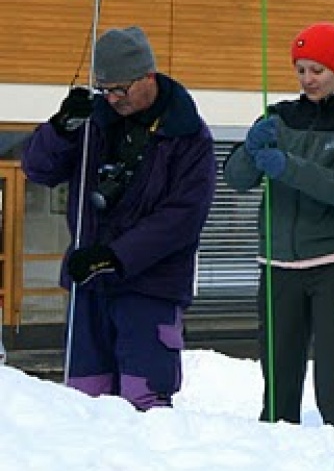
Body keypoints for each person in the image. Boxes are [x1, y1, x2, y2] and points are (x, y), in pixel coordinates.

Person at [21, 26, 215, 409]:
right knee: (84, 397)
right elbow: (38, 169)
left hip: (151, 287)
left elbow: (183, 217)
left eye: (120, 89)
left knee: (143, 397)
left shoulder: (189, 136)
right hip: (88, 285)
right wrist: (61, 129)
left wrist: (116, 256)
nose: (111, 99)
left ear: (148, 76)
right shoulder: (92, 124)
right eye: (104, 90)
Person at [224, 23, 334, 426]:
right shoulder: (278, 117)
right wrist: (249, 149)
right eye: (300, 70)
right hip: (278, 268)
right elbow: (236, 179)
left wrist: (289, 167)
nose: (307, 79)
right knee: (278, 397)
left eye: (317, 70)